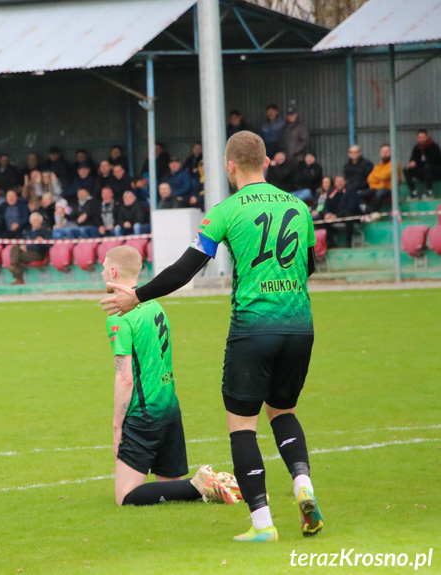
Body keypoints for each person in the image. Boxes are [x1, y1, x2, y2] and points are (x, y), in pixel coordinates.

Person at [101, 131, 323, 542]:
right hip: (300, 327)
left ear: (228, 166)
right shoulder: (299, 207)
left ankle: (262, 525)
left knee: (242, 425)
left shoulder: (224, 211)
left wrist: (138, 295)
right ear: (268, 163)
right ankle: (302, 483)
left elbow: (185, 270)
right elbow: (309, 265)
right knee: (284, 412)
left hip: (253, 329)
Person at [101, 245, 239, 508]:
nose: (101, 271)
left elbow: (125, 378)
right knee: (170, 489)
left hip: (144, 416)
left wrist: (117, 426)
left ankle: (198, 482)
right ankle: (210, 485)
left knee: (125, 498)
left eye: (104, 266)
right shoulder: (155, 305)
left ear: (114, 271)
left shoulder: (119, 317)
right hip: (170, 411)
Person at [8, 212, 50, 285]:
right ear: (30, 222)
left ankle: (15, 269)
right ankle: (15, 266)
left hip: (37, 253)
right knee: (15, 248)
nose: (35, 222)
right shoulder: (27, 232)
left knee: (16, 257)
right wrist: (22, 245)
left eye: (37, 220)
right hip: (25, 252)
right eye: (33, 220)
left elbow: (48, 246)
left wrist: (42, 242)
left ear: (40, 221)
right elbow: (20, 241)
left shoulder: (45, 232)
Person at [362, 144, 399, 214]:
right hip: (377, 188)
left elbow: (384, 176)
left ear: (391, 152)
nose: (384, 154)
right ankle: (365, 212)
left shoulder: (395, 164)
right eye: (382, 152)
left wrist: (377, 178)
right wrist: (380, 180)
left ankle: (374, 212)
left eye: (387, 152)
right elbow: (369, 179)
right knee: (359, 194)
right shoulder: (378, 165)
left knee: (380, 193)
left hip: (389, 189)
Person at [405, 129, 441, 199]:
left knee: (427, 167)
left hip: (435, 172)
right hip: (423, 172)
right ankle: (413, 192)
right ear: (417, 138)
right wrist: (411, 164)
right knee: (406, 169)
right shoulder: (416, 148)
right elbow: (413, 159)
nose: (421, 139)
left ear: (427, 137)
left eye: (423, 137)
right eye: (419, 137)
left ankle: (429, 192)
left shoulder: (433, 146)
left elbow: (432, 161)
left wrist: (416, 163)